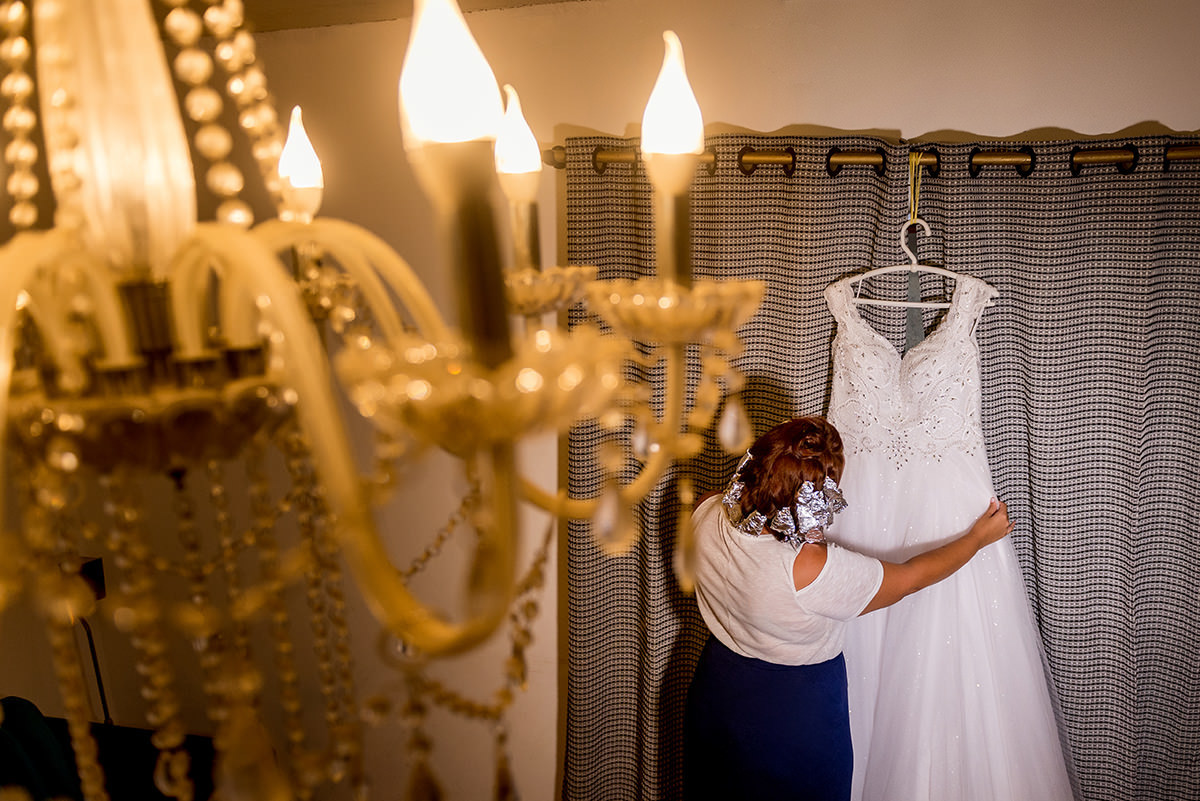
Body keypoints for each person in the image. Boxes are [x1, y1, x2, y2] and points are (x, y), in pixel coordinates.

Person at [682, 416, 1013, 801]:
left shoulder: (706, 514)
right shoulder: (807, 570)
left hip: (717, 690)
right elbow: (910, 578)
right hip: (792, 718)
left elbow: (733, 507)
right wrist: (977, 538)